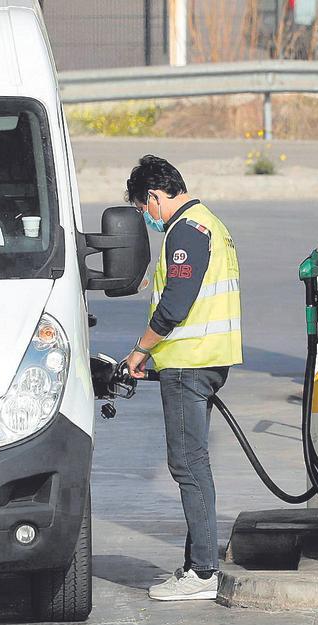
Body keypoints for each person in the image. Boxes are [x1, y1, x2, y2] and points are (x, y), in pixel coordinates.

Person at [121, 155, 243, 601]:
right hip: (208, 358)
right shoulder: (211, 223)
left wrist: (142, 348)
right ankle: (198, 563)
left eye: (142, 210)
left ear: (154, 197)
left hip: (189, 363)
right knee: (195, 462)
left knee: (188, 464)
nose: (146, 218)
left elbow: (175, 302)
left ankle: (203, 573)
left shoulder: (185, 232)